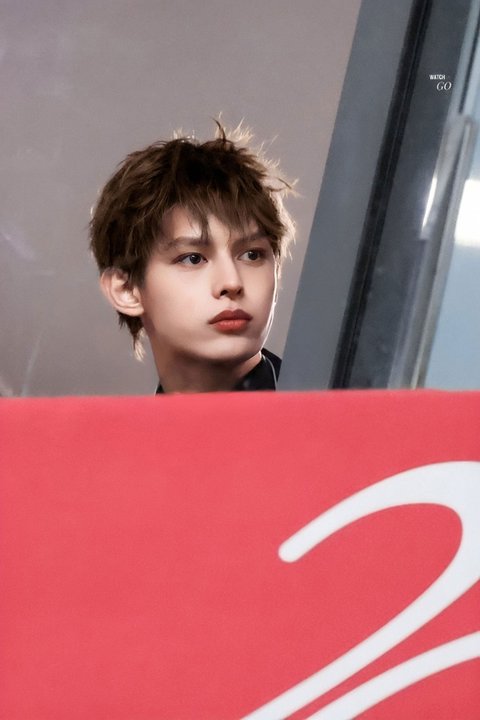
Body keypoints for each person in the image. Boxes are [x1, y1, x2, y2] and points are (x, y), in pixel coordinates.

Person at [89, 122, 295, 393]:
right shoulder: (124, 423)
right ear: (126, 290)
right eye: (193, 259)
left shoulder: (333, 408)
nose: (231, 283)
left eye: (251, 255)